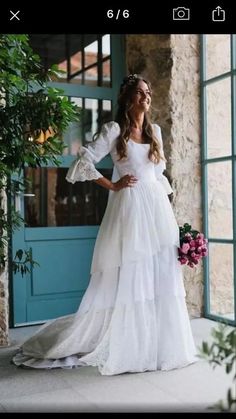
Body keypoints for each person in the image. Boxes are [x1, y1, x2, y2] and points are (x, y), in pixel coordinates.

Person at [13, 74, 197, 375]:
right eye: (139, 93)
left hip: (157, 211)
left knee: (162, 274)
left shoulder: (156, 133)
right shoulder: (114, 131)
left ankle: (161, 347)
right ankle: (133, 348)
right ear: (126, 98)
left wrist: (174, 223)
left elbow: (159, 177)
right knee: (133, 275)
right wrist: (112, 186)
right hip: (130, 208)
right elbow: (82, 164)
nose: (145, 97)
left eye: (148, 92)